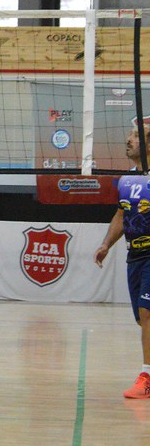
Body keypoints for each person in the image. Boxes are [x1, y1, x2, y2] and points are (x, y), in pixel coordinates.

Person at [94, 123, 150, 399]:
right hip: (134, 255)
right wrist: (106, 243)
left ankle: (146, 376)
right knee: (143, 320)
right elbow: (121, 215)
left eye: (137, 136)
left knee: (147, 313)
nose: (129, 140)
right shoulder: (127, 180)